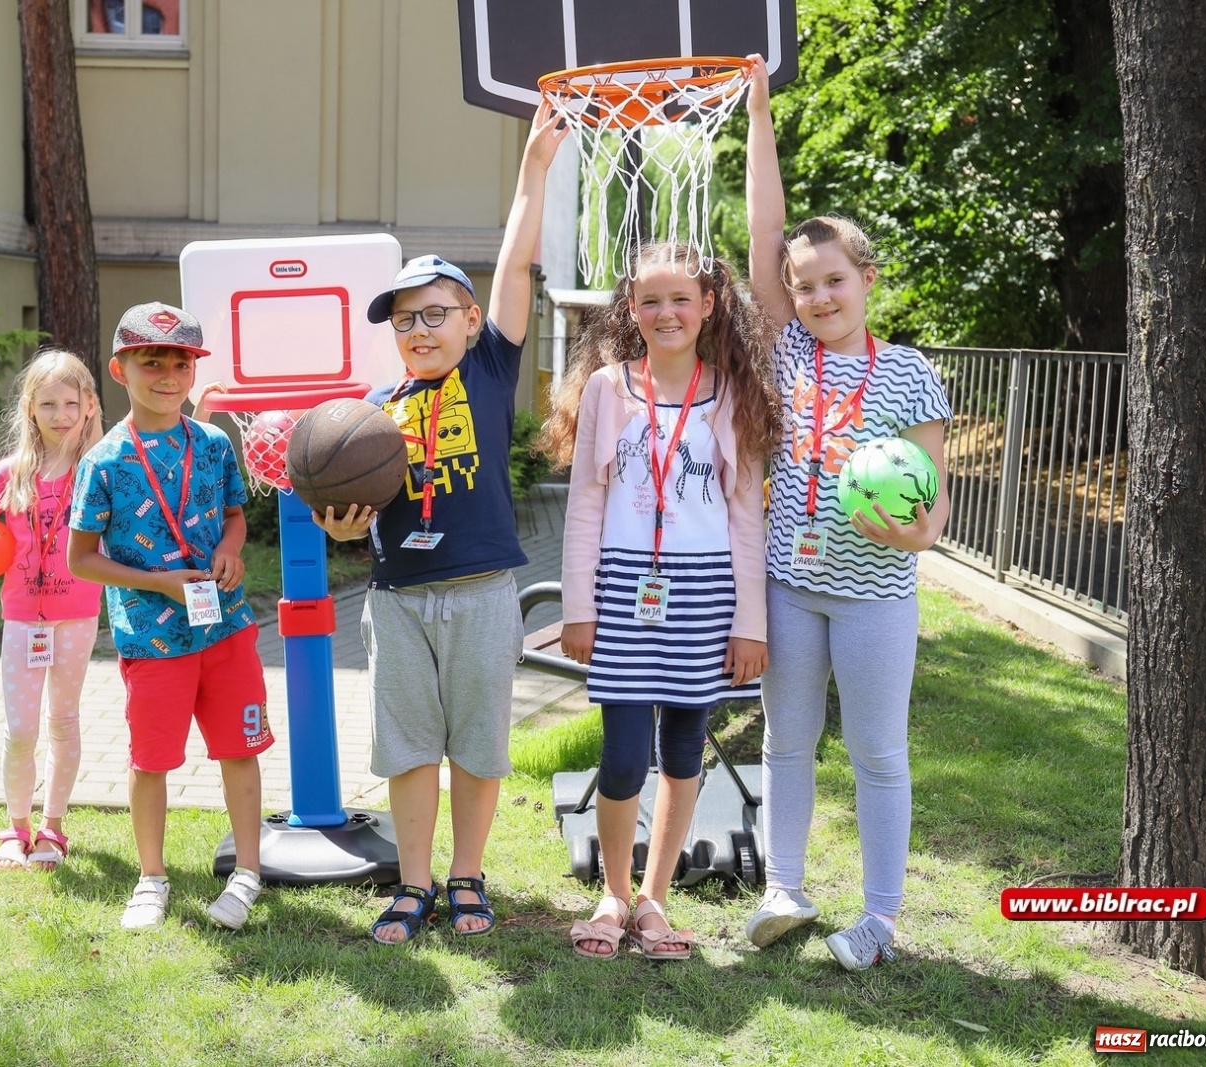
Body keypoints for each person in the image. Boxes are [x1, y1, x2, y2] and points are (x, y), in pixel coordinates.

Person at [316, 102, 569, 943]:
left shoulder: (491, 365)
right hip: (397, 598)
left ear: (468, 319)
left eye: (434, 314)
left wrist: (533, 169)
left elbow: (517, 262)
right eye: (404, 320)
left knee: (479, 745)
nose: (418, 330)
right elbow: (355, 514)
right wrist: (343, 532)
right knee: (410, 745)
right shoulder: (373, 410)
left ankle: (468, 875)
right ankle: (414, 882)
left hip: (483, 589)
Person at [743, 54, 954, 970]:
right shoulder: (787, 349)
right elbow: (765, 231)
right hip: (790, 584)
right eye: (803, 284)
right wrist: (759, 113)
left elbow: (933, 517)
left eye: (833, 280)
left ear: (865, 279)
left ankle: (879, 920)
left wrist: (902, 530)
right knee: (787, 740)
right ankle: (783, 889)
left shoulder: (909, 372)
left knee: (876, 753)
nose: (818, 297)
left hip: (875, 596)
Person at [538, 243, 780, 959]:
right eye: (650, 299)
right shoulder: (608, 388)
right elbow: (585, 503)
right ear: (631, 309)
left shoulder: (732, 391)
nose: (666, 312)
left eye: (681, 299)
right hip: (623, 592)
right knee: (621, 757)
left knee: (681, 750)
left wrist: (750, 623)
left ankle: (654, 900)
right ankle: (613, 894)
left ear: (708, 305)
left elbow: (746, 516)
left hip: (706, 596)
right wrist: (578, 607)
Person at [67, 302, 272, 932]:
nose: (168, 376)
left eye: (180, 364)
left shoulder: (213, 443)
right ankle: (151, 878)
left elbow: (234, 516)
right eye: (151, 363)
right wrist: (158, 584)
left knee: (239, 750)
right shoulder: (103, 461)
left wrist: (230, 550)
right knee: (151, 760)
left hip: (227, 629)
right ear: (120, 370)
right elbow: (81, 559)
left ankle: (248, 872)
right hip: (152, 640)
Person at [0, 348, 105, 873]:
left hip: (77, 616)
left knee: (64, 720)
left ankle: (52, 828)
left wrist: (202, 412)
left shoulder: (98, 468)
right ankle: (16, 828)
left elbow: (151, 455)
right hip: (21, 621)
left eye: (72, 403)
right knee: (20, 730)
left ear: (89, 405)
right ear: (30, 408)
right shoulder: (12, 473)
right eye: (49, 404)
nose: (61, 415)